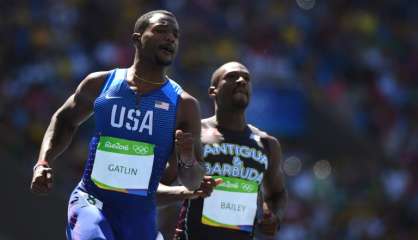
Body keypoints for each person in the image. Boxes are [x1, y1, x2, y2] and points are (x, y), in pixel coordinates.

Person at [30, 10, 205, 240]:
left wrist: (187, 157)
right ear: (137, 38)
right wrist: (43, 162)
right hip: (91, 202)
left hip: (140, 217)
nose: (170, 38)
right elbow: (64, 121)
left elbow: (194, 181)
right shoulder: (101, 84)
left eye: (175, 34)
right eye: (161, 30)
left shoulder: (184, 105)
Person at [157, 61, 288, 240]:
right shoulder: (193, 134)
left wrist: (273, 216)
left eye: (247, 79)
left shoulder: (267, 144)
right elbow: (156, 187)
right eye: (231, 76)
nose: (241, 80)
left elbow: (277, 194)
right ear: (213, 91)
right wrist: (185, 189)